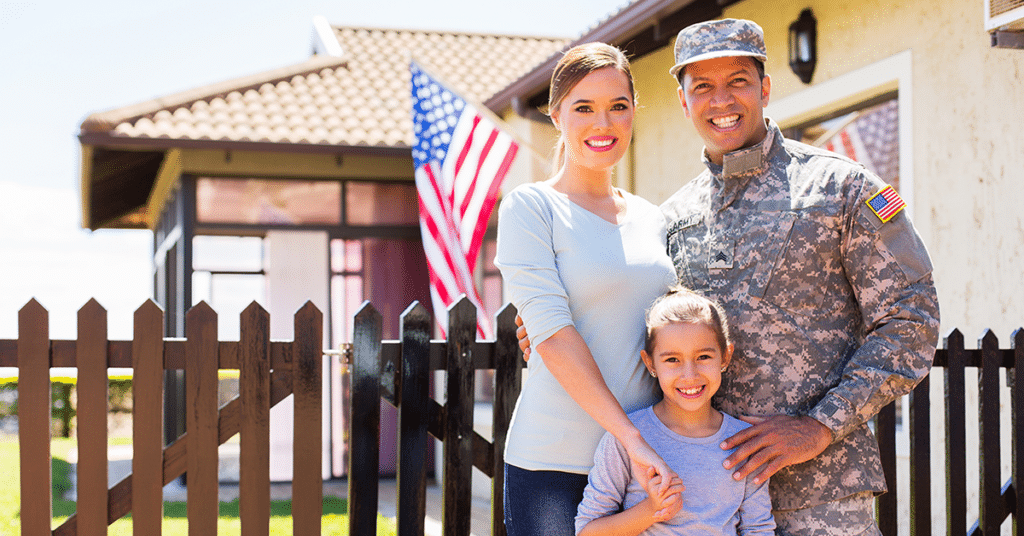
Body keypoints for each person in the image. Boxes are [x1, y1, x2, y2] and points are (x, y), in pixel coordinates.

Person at [519, 19, 940, 535]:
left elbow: (912, 320)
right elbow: (649, 324)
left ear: (764, 87)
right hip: (706, 505)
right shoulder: (671, 218)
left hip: (822, 497)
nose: (722, 101)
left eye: (737, 80)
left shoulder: (840, 189)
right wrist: (550, 328)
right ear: (682, 101)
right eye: (702, 87)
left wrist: (820, 426)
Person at [494, 42, 680, 536]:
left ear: (634, 113)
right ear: (557, 116)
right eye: (584, 108)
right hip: (555, 461)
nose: (604, 123)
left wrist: (648, 444)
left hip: (642, 463)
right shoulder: (530, 208)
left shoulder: (653, 218)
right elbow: (551, 335)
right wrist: (631, 441)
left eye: (618, 107)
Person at [576, 286, 775, 536]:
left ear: (725, 356)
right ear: (650, 363)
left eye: (703, 357)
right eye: (672, 360)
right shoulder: (627, 438)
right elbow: (587, 531)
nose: (689, 375)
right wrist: (652, 509)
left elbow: (759, 529)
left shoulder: (745, 442)